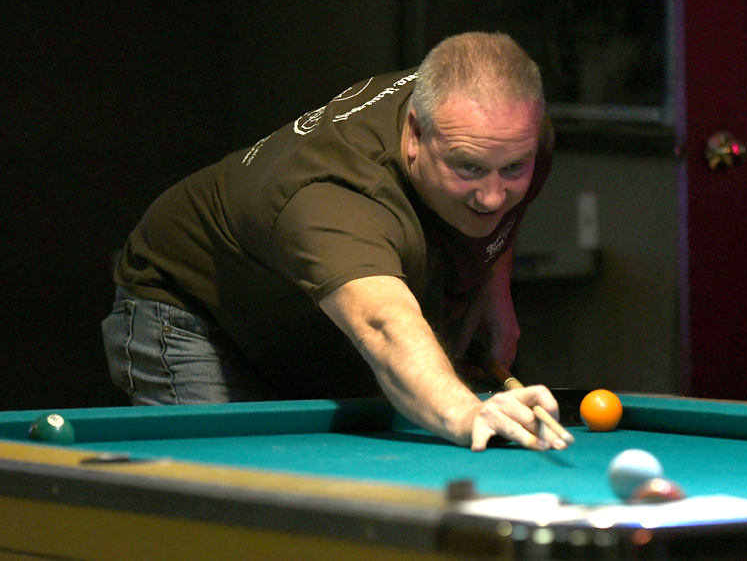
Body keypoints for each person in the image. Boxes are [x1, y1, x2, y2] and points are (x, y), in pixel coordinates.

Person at [102, 32, 564, 451]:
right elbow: (384, 326)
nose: (492, 195)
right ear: (415, 134)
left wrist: (494, 284)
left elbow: (499, 197)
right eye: (469, 168)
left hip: (304, 314)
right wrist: (465, 413)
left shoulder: (512, 129)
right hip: (197, 314)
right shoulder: (334, 198)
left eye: (513, 169)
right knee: (243, 497)